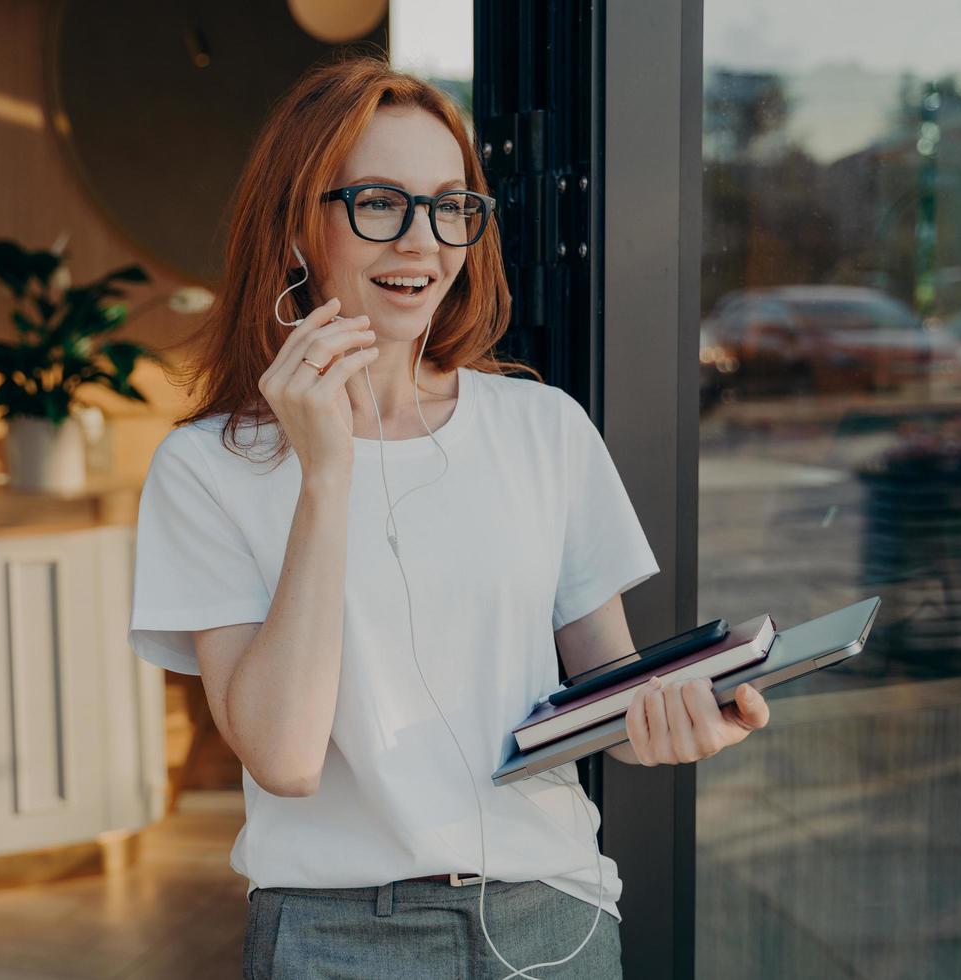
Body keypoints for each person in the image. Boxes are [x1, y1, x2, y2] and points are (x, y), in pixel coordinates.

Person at [128, 55, 771, 980]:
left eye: (449, 205)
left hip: (555, 915)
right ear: (296, 229)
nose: (422, 243)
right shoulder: (206, 469)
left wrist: (673, 717)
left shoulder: (541, 426)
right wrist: (325, 477)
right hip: (338, 934)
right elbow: (284, 756)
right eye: (380, 203)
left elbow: (603, 685)